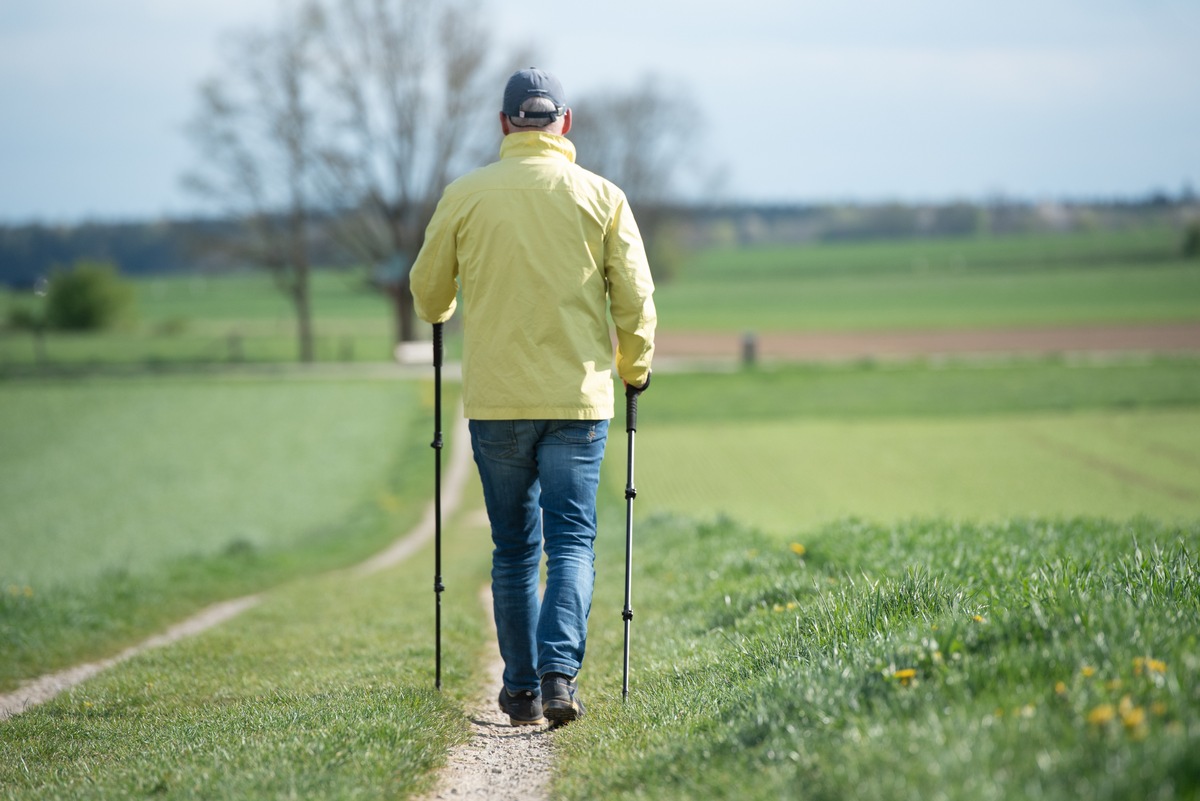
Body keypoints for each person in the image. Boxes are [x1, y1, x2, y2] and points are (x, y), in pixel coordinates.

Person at [410, 68, 656, 727]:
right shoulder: (602, 196)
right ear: (564, 124)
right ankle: (557, 677)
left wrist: (457, 294)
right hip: (578, 401)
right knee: (571, 540)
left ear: (504, 125)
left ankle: (518, 687)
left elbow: (430, 296)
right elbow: (635, 299)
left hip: (497, 401)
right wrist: (635, 367)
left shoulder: (465, 196)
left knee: (514, 546)